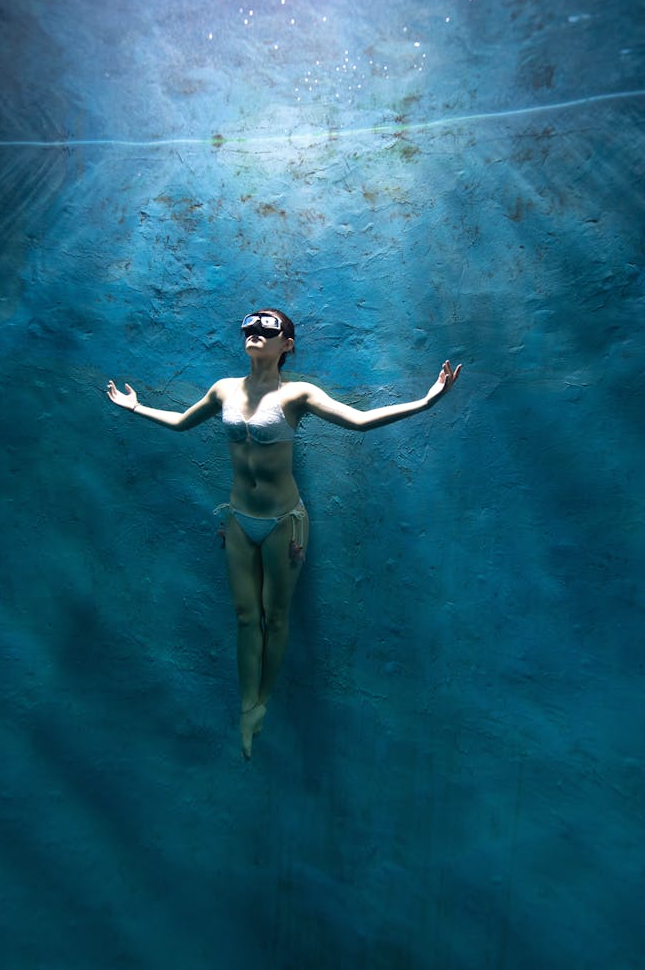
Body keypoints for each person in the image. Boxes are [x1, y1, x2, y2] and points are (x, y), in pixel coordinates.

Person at [107, 308, 461, 758]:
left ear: (287, 345)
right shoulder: (223, 390)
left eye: (267, 330)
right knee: (244, 618)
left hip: (283, 523)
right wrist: (135, 407)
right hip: (237, 517)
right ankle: (245, 703)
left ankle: (262, 703)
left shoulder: (298, 394)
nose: (255, 335)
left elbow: (358, 421)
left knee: (275, 617)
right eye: (249, 328)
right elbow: (182, 422)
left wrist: (426, 402)